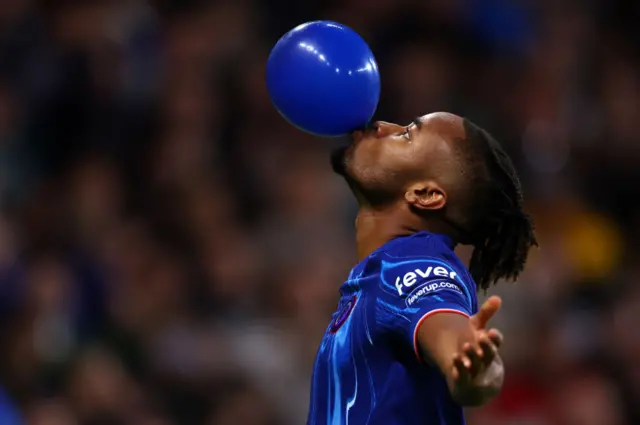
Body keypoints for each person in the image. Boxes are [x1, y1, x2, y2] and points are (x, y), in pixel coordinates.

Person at [307, 112, 537, 425]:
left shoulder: (413, 264)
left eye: (406, 135)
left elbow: (450, 333)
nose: (381, 125)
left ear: (425, 195)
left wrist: (473, 368)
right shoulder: (381, 270)